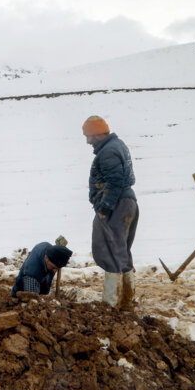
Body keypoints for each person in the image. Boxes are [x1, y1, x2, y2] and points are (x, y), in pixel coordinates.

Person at [83, 115, 139, 310]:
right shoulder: (117, 146)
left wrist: (104, 208)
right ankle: (126, 300)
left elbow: (114, 182)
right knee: (121, 251)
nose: (88, 141)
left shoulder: (108, 152)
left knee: (111, 251)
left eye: (89, 136)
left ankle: (111, 304)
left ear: (97, 134)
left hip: (117, 205)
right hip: (126, 202)